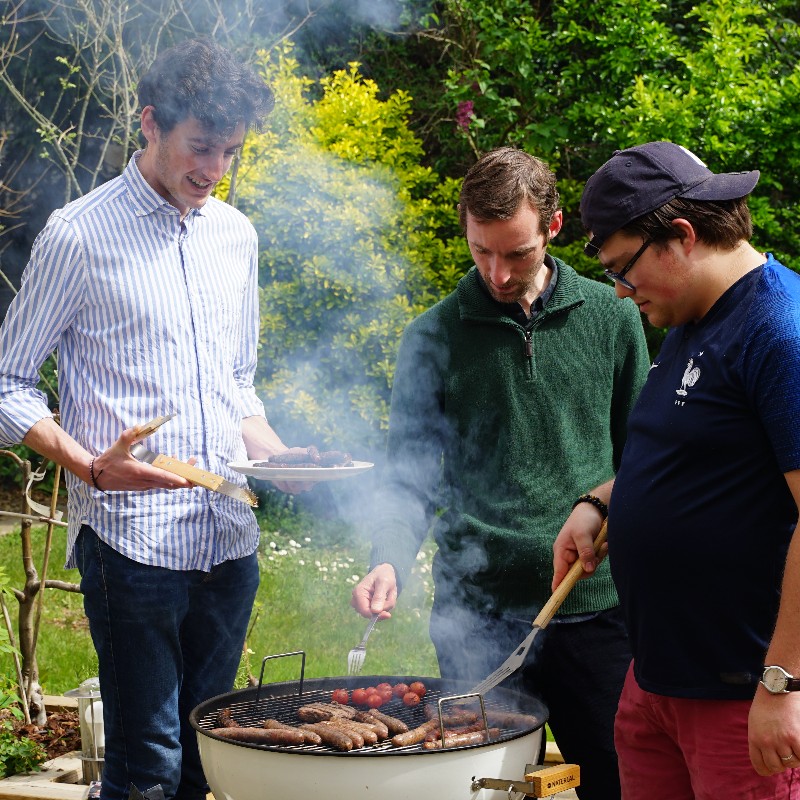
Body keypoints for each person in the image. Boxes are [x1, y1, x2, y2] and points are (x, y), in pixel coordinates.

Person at [0, 38, 301, 800]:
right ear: (150, 123)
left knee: (210, 757)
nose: (214, 169)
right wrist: (87, 466)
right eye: (200, 146)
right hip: (130, 545)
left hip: (228, 538)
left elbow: (237, 384)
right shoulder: (78, 235)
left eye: (230, 151)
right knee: (147, 767)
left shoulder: (236, 236)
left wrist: (283, 456)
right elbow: (6, 382)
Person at [351, 147, 651, 800]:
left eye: (515, 254)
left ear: (554, 227)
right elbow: (407, 479)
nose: (497, 272)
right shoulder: (432, 338)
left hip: (596, 614)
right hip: (477, 618)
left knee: (622, 784)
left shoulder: (615, 318)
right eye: (481, 251)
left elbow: (644, 465)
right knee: (481, 789)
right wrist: (389, 560)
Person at [553, 140, 800, 799]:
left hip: (740, 693)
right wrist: (604, 503)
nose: (618, 290)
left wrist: (783, 684)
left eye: (621, 270)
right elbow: (693, 458)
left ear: (680, 237)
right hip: (657, 679)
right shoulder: (692, 317)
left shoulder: (780, 331)